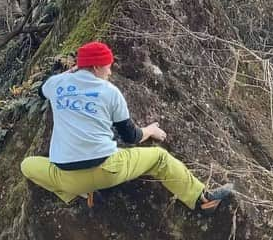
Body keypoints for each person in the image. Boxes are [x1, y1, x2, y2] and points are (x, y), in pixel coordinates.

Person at [20, 40, 233, 214]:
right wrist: (150, 131)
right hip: (107, 170)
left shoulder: (56, 84)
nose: (110, 71)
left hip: (67, 178)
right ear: (96, 67)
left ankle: (80, 194)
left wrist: (69, 74)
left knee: (27, 165)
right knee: (160, 159)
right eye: (107, 66)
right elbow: (131, 136)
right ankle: (201, 199)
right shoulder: (109, 92)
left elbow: (41, 91)